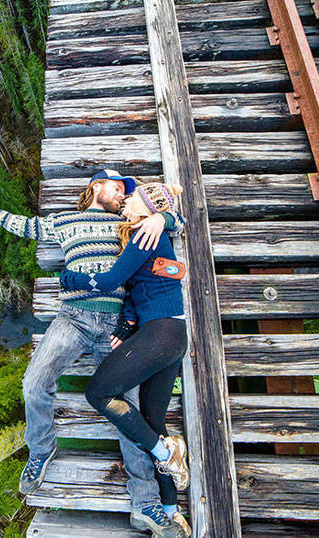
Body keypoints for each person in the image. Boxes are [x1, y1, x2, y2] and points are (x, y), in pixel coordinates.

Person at [0, 170, 187, 537]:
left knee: (128, 408)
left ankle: (146, 503)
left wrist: (162, 218)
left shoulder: (129, 225)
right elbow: (26, 226)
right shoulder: (64, 220)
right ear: (95, 186)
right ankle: (41, 450)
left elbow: (177, 221)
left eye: (126, 193)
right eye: (117, 188)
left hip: (115, 325)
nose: (121, 196)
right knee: (33, 383)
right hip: (72, 317)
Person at [59, 182, 192, 536]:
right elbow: (139, 287)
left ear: (145, 207)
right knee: (153, 418)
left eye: (132, 197)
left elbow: (110, 281)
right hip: (172, 335)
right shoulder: (151, 231)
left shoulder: (144, 234)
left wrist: (70, 278)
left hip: (160, 333)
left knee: (98, 393)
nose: (126, 200)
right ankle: (171, 510)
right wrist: (126, 323)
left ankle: (163, 453)